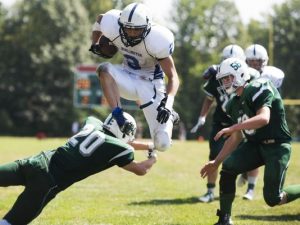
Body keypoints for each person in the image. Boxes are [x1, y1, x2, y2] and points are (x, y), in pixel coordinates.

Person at [0, 113, 157, 225]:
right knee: (10, 222)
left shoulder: (93, 123)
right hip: (47, 180)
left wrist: (149, 144)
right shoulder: (119, 148)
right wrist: (152, 159)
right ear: (124, 131)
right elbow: (140, 169)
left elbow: (117, 142)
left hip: (34, 162)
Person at [200, 58, 300, 225]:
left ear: (239, 74)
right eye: (223, 79)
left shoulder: (258, 87)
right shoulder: (232, 104)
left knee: (273, 198)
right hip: (255, 145)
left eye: (227, 78)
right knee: (228, 168)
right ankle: (224, 219)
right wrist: (216, 162)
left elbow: (263, 118)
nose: (224, 83)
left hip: (277, 146)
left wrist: (233, 127)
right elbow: (237, 137)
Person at [90, 2, 180, 152]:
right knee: (104, 69)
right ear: (120, 24)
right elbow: (100, 19)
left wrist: (168, 104)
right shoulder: (112, 23)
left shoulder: (158, 40)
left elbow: (173, 77)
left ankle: (170, 116)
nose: (131, 34)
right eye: (128, 28)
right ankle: (118, 115)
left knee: (162, 144)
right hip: (127, 76)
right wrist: (95, 43)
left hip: (150, 84)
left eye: (136, 30)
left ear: (147, 28)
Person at [190, 44, 246, 203]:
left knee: (245, 156)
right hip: (221, 123)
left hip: (241, 123)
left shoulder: (248, 76)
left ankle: (246, 175)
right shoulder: (216, 77)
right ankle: (210, 191)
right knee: (214, 156)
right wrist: (202, 117)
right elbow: (208, 99)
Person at [236, 44, 286, 201]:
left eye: (258, 62)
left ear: (265, 61)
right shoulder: (242, 73)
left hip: (265, 114)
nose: (255, 65)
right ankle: (245, 172)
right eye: (252, 61)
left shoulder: (273, 75)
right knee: (246, 150)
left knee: (262, 150)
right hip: (246, 114)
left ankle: (250, 188)